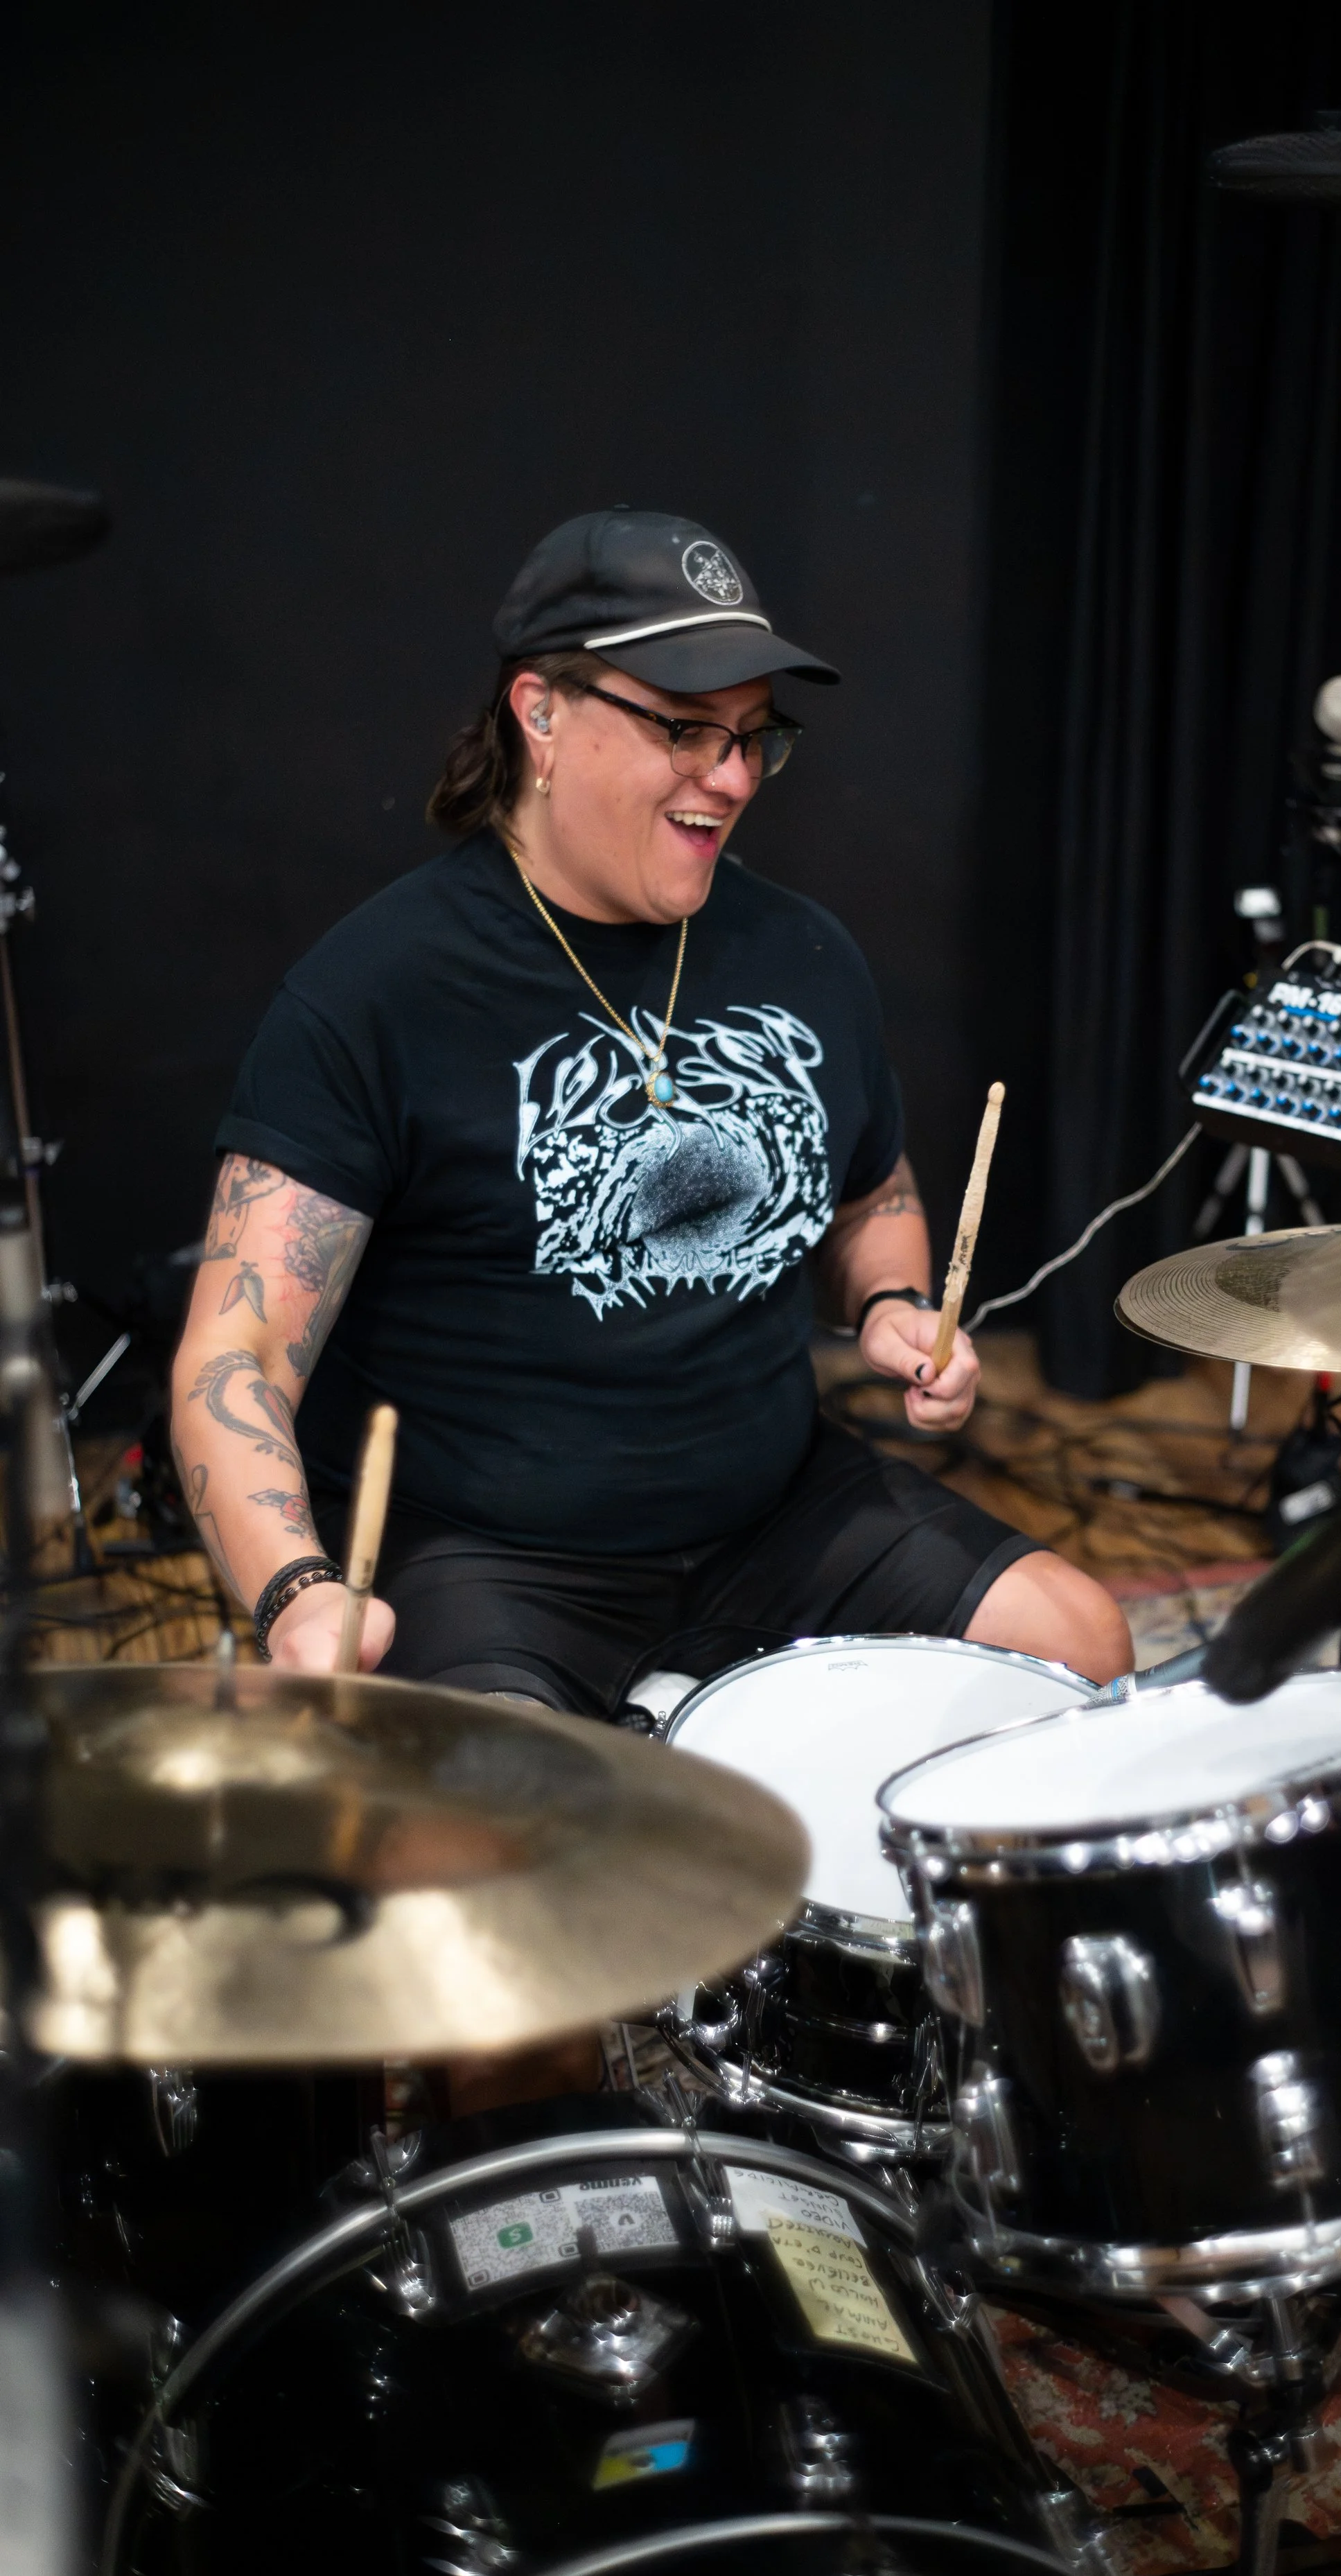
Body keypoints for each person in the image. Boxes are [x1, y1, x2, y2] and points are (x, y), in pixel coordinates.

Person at [170, 508, 1132, 1711]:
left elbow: (871, 1192)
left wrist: (891, 1302)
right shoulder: (374, 993)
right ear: (541, 715)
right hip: (490, 1554)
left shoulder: (805, 953)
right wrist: (297, 1590)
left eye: (751, 739)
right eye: (684, 730)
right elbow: (235, 1352)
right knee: (506, 1832)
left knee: (1083, 1646)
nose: (729, 779)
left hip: (774, 1509)